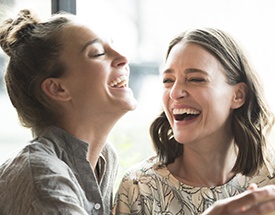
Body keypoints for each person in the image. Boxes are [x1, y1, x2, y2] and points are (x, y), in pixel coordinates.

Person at [114, 28, 275, 214]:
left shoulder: (270, 180)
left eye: (196, 79)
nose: (175, 92)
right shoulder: (140, 187)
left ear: (238, 95)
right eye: (168, 80)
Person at [0, 9, 137, 215]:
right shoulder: (42, 176)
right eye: (98, 53)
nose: (123, 58)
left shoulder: (104, 158)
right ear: (58, 89)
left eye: (113, 46)